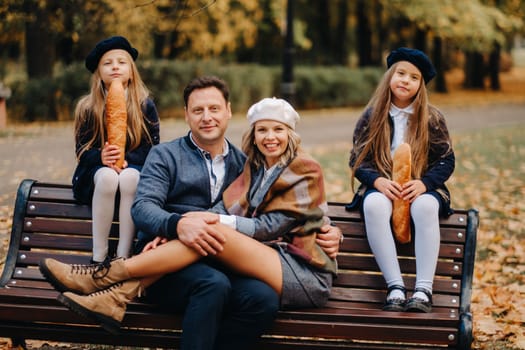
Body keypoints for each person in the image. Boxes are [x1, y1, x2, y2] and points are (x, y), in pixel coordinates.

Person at [41, 76, 342, 350]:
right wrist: (174, 227)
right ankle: (110, 283)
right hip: (168, 267)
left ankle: (111, 284)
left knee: (261, 299)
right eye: (198, 110)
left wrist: (332, 231)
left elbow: (283, 216)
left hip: (230, 258)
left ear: (228, 112)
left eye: (214, 108)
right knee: (212, 283)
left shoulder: (245, 163)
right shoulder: (167, 155)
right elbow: (143, 208)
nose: (207, 117)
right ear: (186, 115)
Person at [347, 47, 455, 313]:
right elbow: (358, 159)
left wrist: (424, 184)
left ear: (421, 86)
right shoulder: (372, 116)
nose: (405, 80)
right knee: (374, 206)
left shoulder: (432, 118)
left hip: (421, 187)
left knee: (425, 207)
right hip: (383, 186)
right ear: (390, 77)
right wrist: (377, 182)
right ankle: (395, 286)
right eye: (401, 73)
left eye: (414, 77)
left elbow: (446, 160)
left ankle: (423, 289)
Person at [71, 36, 160, 264]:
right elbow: (82, 151)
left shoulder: (145, 105)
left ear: (132, 71)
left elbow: (153, 148)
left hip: (135, 170)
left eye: (122, 62)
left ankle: (123, 255)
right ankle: (98, 256)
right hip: (96, 175)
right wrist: (102, 156)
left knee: (130, 178)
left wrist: (125, 158)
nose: (115, 67)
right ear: (98, 72)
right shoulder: (87, 107)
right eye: (107, 63)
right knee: (109, 177)